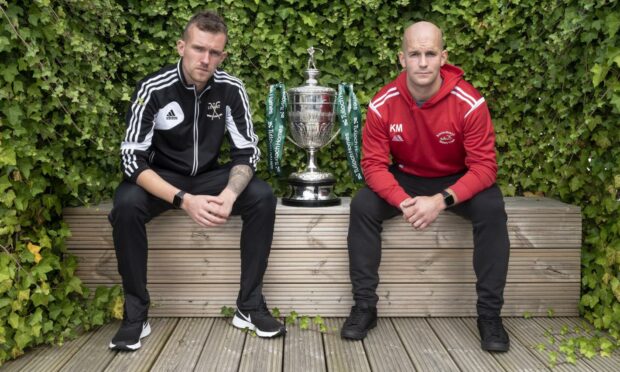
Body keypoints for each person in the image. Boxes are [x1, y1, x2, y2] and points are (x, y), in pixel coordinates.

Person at [108, 10, 286, 351]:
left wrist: (231, 194)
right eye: (198, 49)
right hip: (163, 181)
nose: (205, 60)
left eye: (214, 52)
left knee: (262, 195)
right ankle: (135, 315)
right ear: (181, 47)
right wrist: (183, 200)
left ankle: (248, 307)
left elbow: (247, 152)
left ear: (223, 55)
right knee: (126, 204)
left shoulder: (231, 89)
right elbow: (131, 157)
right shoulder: (154, 88)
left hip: (208, 178)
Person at [340, 21, 511, 352]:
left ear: (443, 57)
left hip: (457, 178)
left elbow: (486, 167)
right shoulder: (382, 103)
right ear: (401, 58)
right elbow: (373, 165)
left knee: (492, 207)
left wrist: (439, 201)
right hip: (407, 176)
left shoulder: (469, 102)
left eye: (430, 53)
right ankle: (365, 308)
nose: (422, 62)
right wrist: (404, 201)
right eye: (414, 54)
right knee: (362, 205)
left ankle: (489, 316)